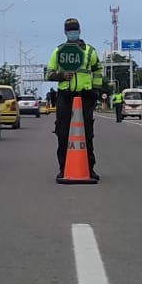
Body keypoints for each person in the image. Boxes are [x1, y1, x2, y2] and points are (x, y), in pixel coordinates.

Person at [46, 17, 103, 182]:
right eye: (70, 30)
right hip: (65, 97)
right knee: (62, 134)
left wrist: (96, 90)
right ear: (65, 32)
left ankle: (89, 168)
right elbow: (49, 74)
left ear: (80, 31)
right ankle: (63, 168)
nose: (73, 32)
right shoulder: (58, 51)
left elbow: (97, 70)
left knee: (87, 134)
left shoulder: (89, 51)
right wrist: (61, 75)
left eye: (75, 29)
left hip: (85, 97)